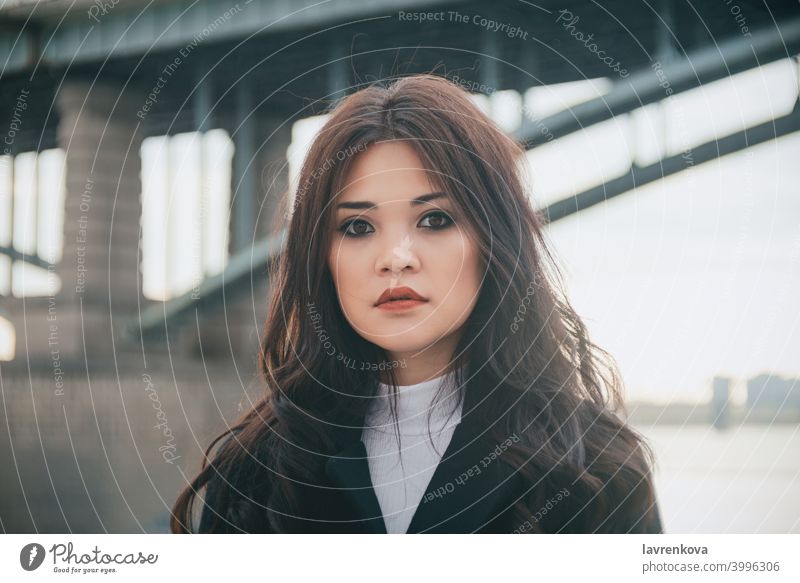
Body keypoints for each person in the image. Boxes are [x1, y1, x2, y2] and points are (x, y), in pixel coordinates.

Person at [170, 74, 663, 534]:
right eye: (357, 227)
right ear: (321, 258)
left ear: (494, 240)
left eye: (434, 220)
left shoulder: (596, 472)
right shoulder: (253, 474)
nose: (395, 259)